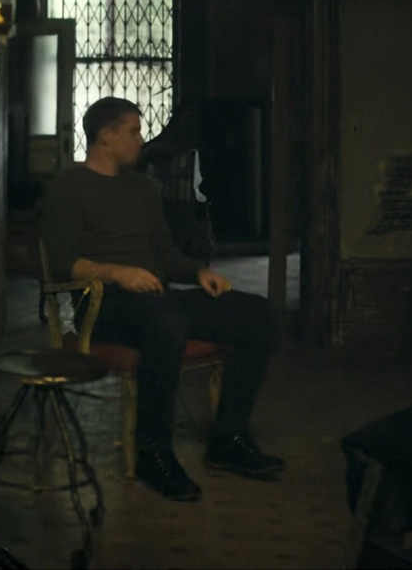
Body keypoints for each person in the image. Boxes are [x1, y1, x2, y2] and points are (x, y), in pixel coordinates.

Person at [39, 96, 282, 501]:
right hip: (103, 304)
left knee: (258, 314)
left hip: (157, 298)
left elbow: (165, 253)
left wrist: (199, 272)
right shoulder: (68, 186)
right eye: (133, 131)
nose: (141, 139)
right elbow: (64, 263)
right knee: (168, 322)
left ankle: (229, 437)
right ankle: (152, 452)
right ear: (106, 136)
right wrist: (119, 273)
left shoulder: (143, 188)